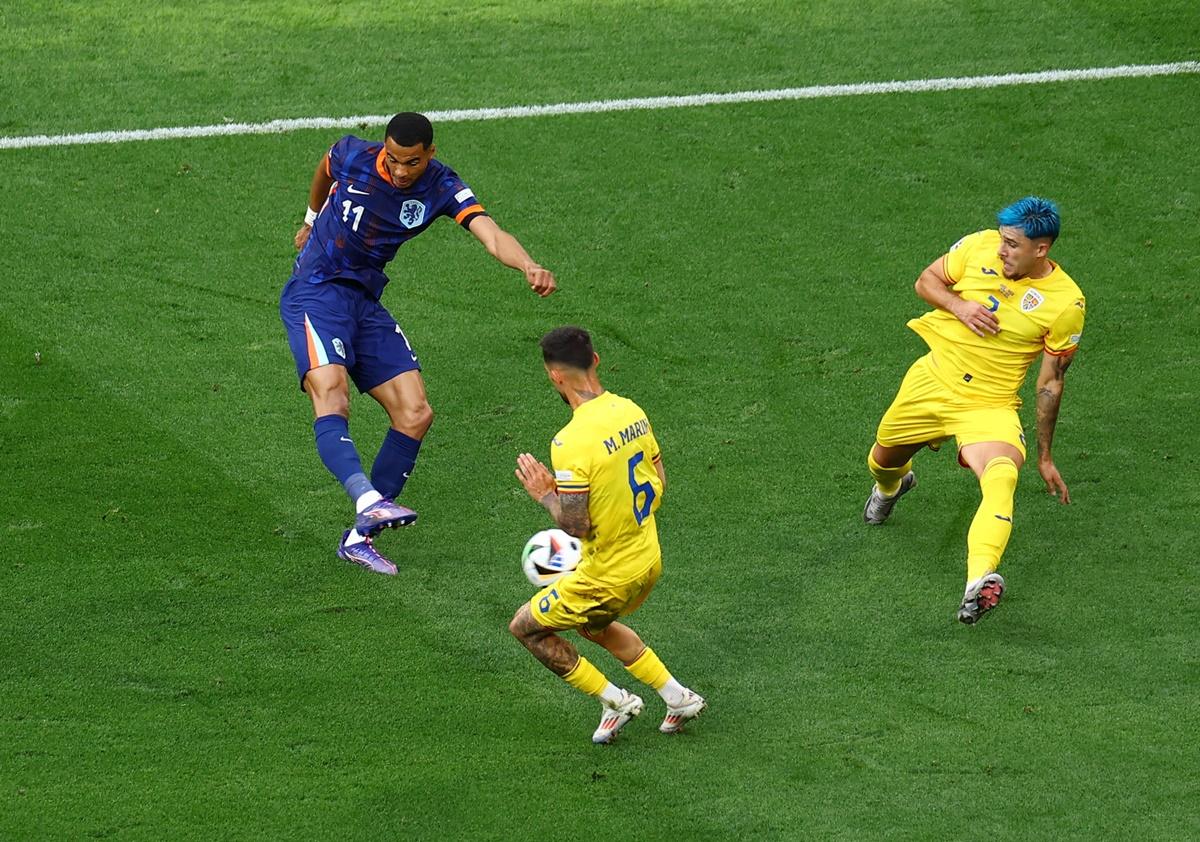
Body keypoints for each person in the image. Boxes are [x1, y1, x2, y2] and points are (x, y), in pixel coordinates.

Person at [280, 112, 556, 575]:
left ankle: (358, 539)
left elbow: (489, 232)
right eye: (393, 159)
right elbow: (326, 163)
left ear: (429, 153)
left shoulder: (442, 186)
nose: (400, 170)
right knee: (331, 391)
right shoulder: (356, 155)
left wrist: (527, 265)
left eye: (410, 162)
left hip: (365, 301)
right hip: (316, 290)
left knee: (415, 413)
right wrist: (310, 218)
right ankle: (368, 499)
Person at [862, 196, 1085, 624]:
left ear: (1042, 249)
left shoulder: (1066, 303)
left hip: (989, 403)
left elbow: (1051, 382)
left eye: (1013, 245)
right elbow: (926, 280)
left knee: (1002, 477)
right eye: (1003, 240)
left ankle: (978, 581)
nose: (1002, 251)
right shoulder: (979, 246)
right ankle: (892, 486)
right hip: (932, 382)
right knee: (882, 459)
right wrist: (959, 306)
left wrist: (1043, 455)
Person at [510, 327, 706, 743]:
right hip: (648, 559)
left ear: (554, 376)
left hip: (607, 575)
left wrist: (546, 494)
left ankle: (614, 700)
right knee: (594, 626)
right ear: (596, 360)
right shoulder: (632, 411)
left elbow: (576, 527)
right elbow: (660, 481)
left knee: (525, 627)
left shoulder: (571, 442)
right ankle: (677, 697)